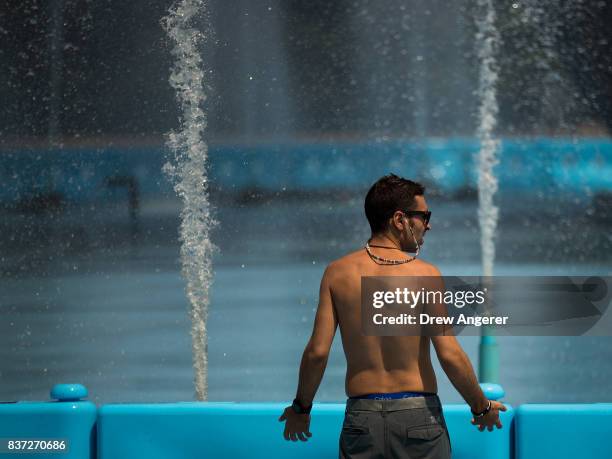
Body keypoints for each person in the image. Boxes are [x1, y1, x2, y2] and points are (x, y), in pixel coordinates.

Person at [278, 174, 506, 458]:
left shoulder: (337, 273)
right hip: (419, 419)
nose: (429, 225)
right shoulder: (425, 275)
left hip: (362, 420)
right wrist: (481, 407)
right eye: (424, 216)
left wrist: (301, 408)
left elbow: (317, 352)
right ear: (400, 220)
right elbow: (449, 354)